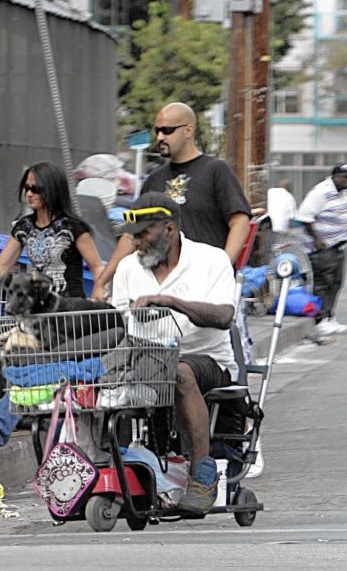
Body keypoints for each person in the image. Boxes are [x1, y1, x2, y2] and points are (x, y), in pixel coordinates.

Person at [0, 161, 104, 447]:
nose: (29, 193)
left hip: (67, 315)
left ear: (52, 190)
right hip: (37, 316)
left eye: (36, 188)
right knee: (37, 372)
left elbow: (97, 268)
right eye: (27, 187)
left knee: (39, 372)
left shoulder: (74, 228)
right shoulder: (23, 228)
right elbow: (0, 267)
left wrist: (98, 298)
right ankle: (8, 422)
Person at [111, 192, 238, 514]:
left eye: (143, 234)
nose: (135, 242)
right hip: (147, 359)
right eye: (132, 236)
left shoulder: (211, 260)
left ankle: (202, 475)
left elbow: (223, 317)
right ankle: (119, 473)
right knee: (94, 374)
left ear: (168, 229)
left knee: (180, 371)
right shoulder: (127, 268)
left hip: (205, 360)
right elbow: (117, 323)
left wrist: (170, 301)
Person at [92, 102, 252, 301]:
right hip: (160, 284)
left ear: (188, 130)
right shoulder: (153, 179)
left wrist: (222, 267)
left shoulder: (216, 170)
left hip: (205, 285)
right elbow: (131, 235)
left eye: (167, 130)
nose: (160, 137)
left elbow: (240, 222)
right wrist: (102, 281)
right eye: (157, 131)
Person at [297, 163, 347, 336]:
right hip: (323, 247)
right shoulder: (320, 192)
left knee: (336, 283)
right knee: (323, 283)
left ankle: (329, 316)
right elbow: (304, 217)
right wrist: (317, 239)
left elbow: (339, 213)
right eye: (344, 177)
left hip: (339, 243)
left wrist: (346, 225)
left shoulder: (344, 192)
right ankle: (319, 319)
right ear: (335, 177)